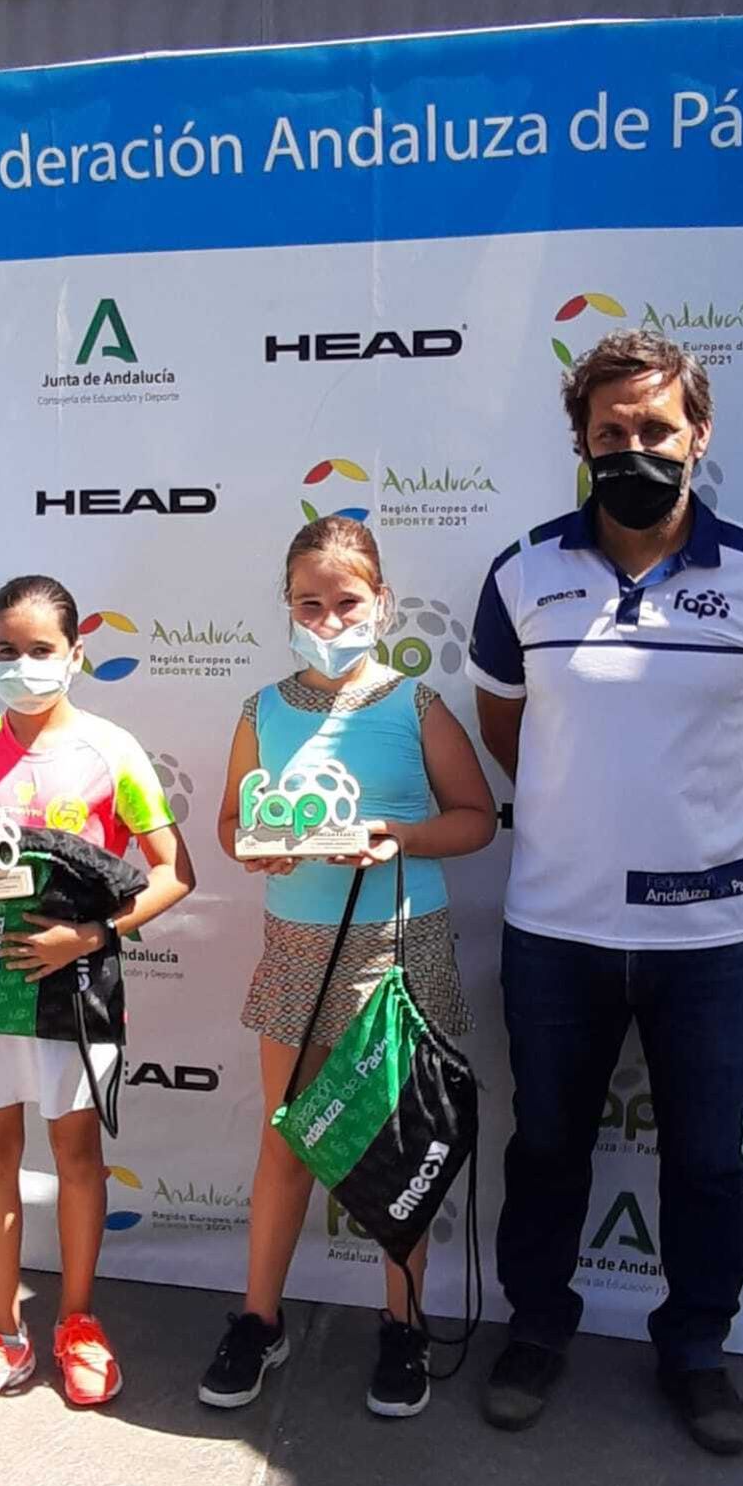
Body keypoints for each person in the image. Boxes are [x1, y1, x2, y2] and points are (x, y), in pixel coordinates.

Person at [467, 330, 743, 1454]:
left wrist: (703, 825)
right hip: (558, 929)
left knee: (708, 1155)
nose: (636, 448)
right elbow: (506, 731)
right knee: (544, 1145)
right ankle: (536, 1327)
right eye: (611, 433)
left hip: (713, 936)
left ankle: (696, 1349)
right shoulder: (522, 572)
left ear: (699, 436)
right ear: (581, 442)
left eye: (657, 431)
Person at [199, 517, 496, 1419]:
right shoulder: (261, 708)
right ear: (287, 607)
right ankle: (259, 1318)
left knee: (398, 1145)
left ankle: (403, 1325)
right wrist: (257, 850)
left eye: (347, 602)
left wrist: (395, 834)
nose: (329, 619)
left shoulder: (418, 704)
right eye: (310, 603)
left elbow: (477, 818)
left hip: (402, 949)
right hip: (296, 950)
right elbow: (228, 823)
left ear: (382, 604)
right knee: (288, 1138)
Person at [0, 575, 195, 1423]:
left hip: (73, 988)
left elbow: (176, 872)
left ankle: (76, 1321)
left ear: (77, 656)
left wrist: (95, 935)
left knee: (76, 1158)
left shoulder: (113, 750)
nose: (23, 665)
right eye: (6, 650)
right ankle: (0, 1334)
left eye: (41, 651)